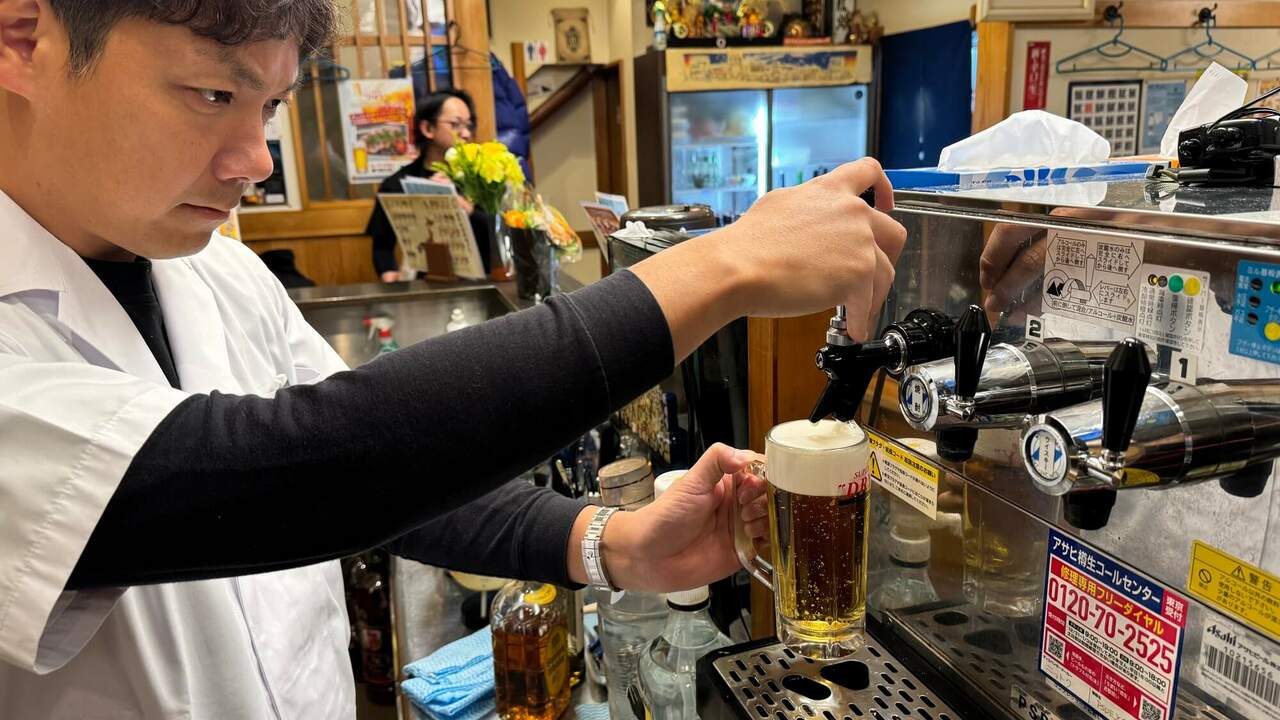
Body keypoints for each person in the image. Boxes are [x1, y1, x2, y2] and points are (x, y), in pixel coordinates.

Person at [0, 1, 906, 717]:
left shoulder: (217, 271)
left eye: (270, 106)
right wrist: (724, 265)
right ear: (21, 38)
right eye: (211, 94)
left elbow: (382, 487)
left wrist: (609, 541)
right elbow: (297, 464)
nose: (255, 159)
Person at [365, 89, 491, 281]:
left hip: (483, 283)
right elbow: (382, 245)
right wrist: (388, 273)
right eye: (455, 124)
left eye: (469, 125)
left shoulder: (482, 178)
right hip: (426, 286)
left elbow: (500, 233)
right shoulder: (396, 183)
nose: (465, 133)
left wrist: (468, 209)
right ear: (428, 129)